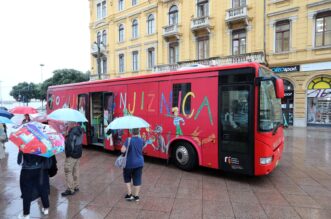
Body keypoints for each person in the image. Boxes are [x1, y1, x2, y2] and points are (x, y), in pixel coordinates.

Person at [17, 152, 50, 219]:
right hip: (40, 170)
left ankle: (26, 214)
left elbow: (19, 162)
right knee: (43, 189)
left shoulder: (24, 144)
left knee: (26, 192)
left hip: (27, 171)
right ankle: (46, 208)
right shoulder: (42, 144)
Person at [121, 128, 145, 202]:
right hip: (139, 163)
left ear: (132, 132)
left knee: (127, 178)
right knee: (137, 178)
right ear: (138, 132)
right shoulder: (141, 140)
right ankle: (136, 196)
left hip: (129, 163)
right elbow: (142, 148)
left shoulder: (128, 140)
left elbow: (122, 150)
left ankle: (129, 195)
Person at [61, 123, 83, 196]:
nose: (67, 124)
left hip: (72, 155)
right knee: (76, 170)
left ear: (72, 124)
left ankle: (70, 189)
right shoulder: (79, 130)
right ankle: (76, 186)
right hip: (78, 154)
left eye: (68, 123)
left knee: (68, 171)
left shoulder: (72, 133)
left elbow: (70, 145)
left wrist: (68, 154)